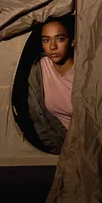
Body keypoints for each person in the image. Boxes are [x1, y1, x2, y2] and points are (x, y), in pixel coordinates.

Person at [26, 15, 75, 154]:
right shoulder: (39, 68)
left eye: (60, 39)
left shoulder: (85, 71)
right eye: (46, 40)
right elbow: (38, 117)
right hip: (58, 144)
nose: (53, 46)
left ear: (72, 41)